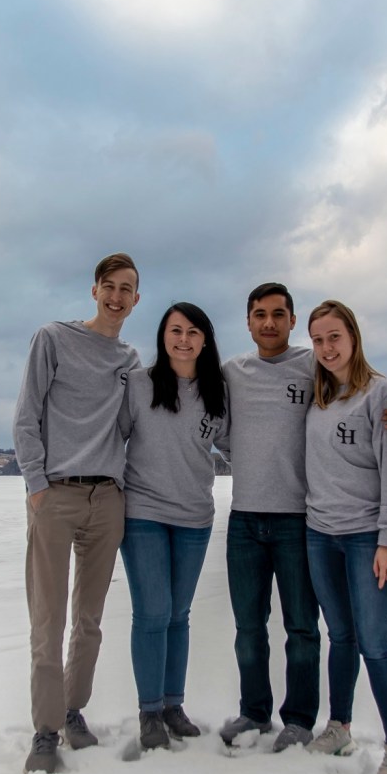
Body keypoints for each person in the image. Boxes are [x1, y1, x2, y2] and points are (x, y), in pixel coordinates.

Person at [219, 283, 387, 753]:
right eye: (259, 314)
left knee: (306, 630)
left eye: (279, 314)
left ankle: (303, 719)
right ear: (248, 322)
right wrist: (246, 459)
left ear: (292, 323)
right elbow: (212, 421)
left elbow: (371, 391)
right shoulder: (232, 372)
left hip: (300, 522)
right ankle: (256, 712)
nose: (269, 322)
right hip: (257, 520)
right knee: (251, 629)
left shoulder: (314, 366)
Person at [13, 252, 141, 774]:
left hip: (107, 500)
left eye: (126, 289)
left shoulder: (131, 361)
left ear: (137, 299)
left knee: (88, 621)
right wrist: (38, 488)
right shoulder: (54, 338)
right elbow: (26, 417)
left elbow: (137, 425)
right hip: (57, 496)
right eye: (109, 286)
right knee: (49, 618)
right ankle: (45, 732)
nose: (116, 296)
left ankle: (72, 711)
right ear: (95, 291)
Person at [304, 300, 387, 774]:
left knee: (375, 642)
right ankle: (340, 728)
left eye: (334, 337)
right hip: (319, 534)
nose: (327, 348)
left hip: (367, 537)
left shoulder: (382, 395)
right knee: (341, 637)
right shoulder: (318, 395)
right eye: (319, 339)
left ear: (353, 337)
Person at [119, 303, 229, 750]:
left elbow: (240, 444)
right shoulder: (140, 384)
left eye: (193, 332)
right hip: (143, 513)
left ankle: (172, 705)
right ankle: (148, 712)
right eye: (175, 330)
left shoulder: (218, 391)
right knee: (152, 613)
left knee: (178, 616)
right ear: (163, 336)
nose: (183, 339)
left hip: (194, 518)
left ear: (206, 339)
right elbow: (113, 437)